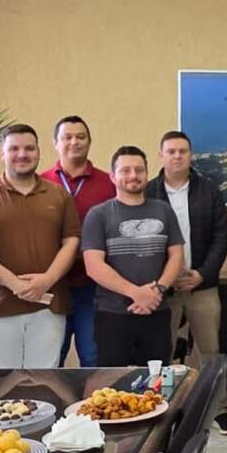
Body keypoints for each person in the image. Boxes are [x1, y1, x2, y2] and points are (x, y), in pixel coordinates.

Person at [145, 130, 227, 433]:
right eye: (171, 151)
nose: (177, 156)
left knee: (210, 351)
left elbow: (221, 236)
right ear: (161, 155)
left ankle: (218, 408)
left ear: (190, 155)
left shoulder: (208, 190)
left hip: (202, 286)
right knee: (163, 352)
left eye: (182, 151)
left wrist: (202, 274)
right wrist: (164, 279)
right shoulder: (148, 192)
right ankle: (162, 409)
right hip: (162, 289)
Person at [0, 124, 82, 369]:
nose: (22, 154)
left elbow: (71, 241)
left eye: (29, 148)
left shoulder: (59, 195)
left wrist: (47, 280)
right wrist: (15, 284)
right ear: (2, 153)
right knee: (1, 385)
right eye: (14, 149)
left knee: (44, 381)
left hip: (48, 305)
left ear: (39, 152)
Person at [82, 146, 184, 366]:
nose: (133, 176)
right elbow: (93, 266)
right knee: (112, 380)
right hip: (113, 315)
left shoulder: (164, 210)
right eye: (125, 170)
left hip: (157, 311)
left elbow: (176, 256)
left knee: (156, 380)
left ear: (147, 174)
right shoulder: (98, 214)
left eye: (139, 170)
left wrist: (157, 291)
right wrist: (136, 293)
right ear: (112, 176)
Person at [41, 115, 115, 367]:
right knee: (52, 357)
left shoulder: (109, 183)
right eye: (67, 137)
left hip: (93, 285)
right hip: (52, 285)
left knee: (93, 355)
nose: (74, 142)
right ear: (55, 143)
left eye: (80, 137)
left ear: (89, 141)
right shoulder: (40, 182)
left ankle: (94, 395)